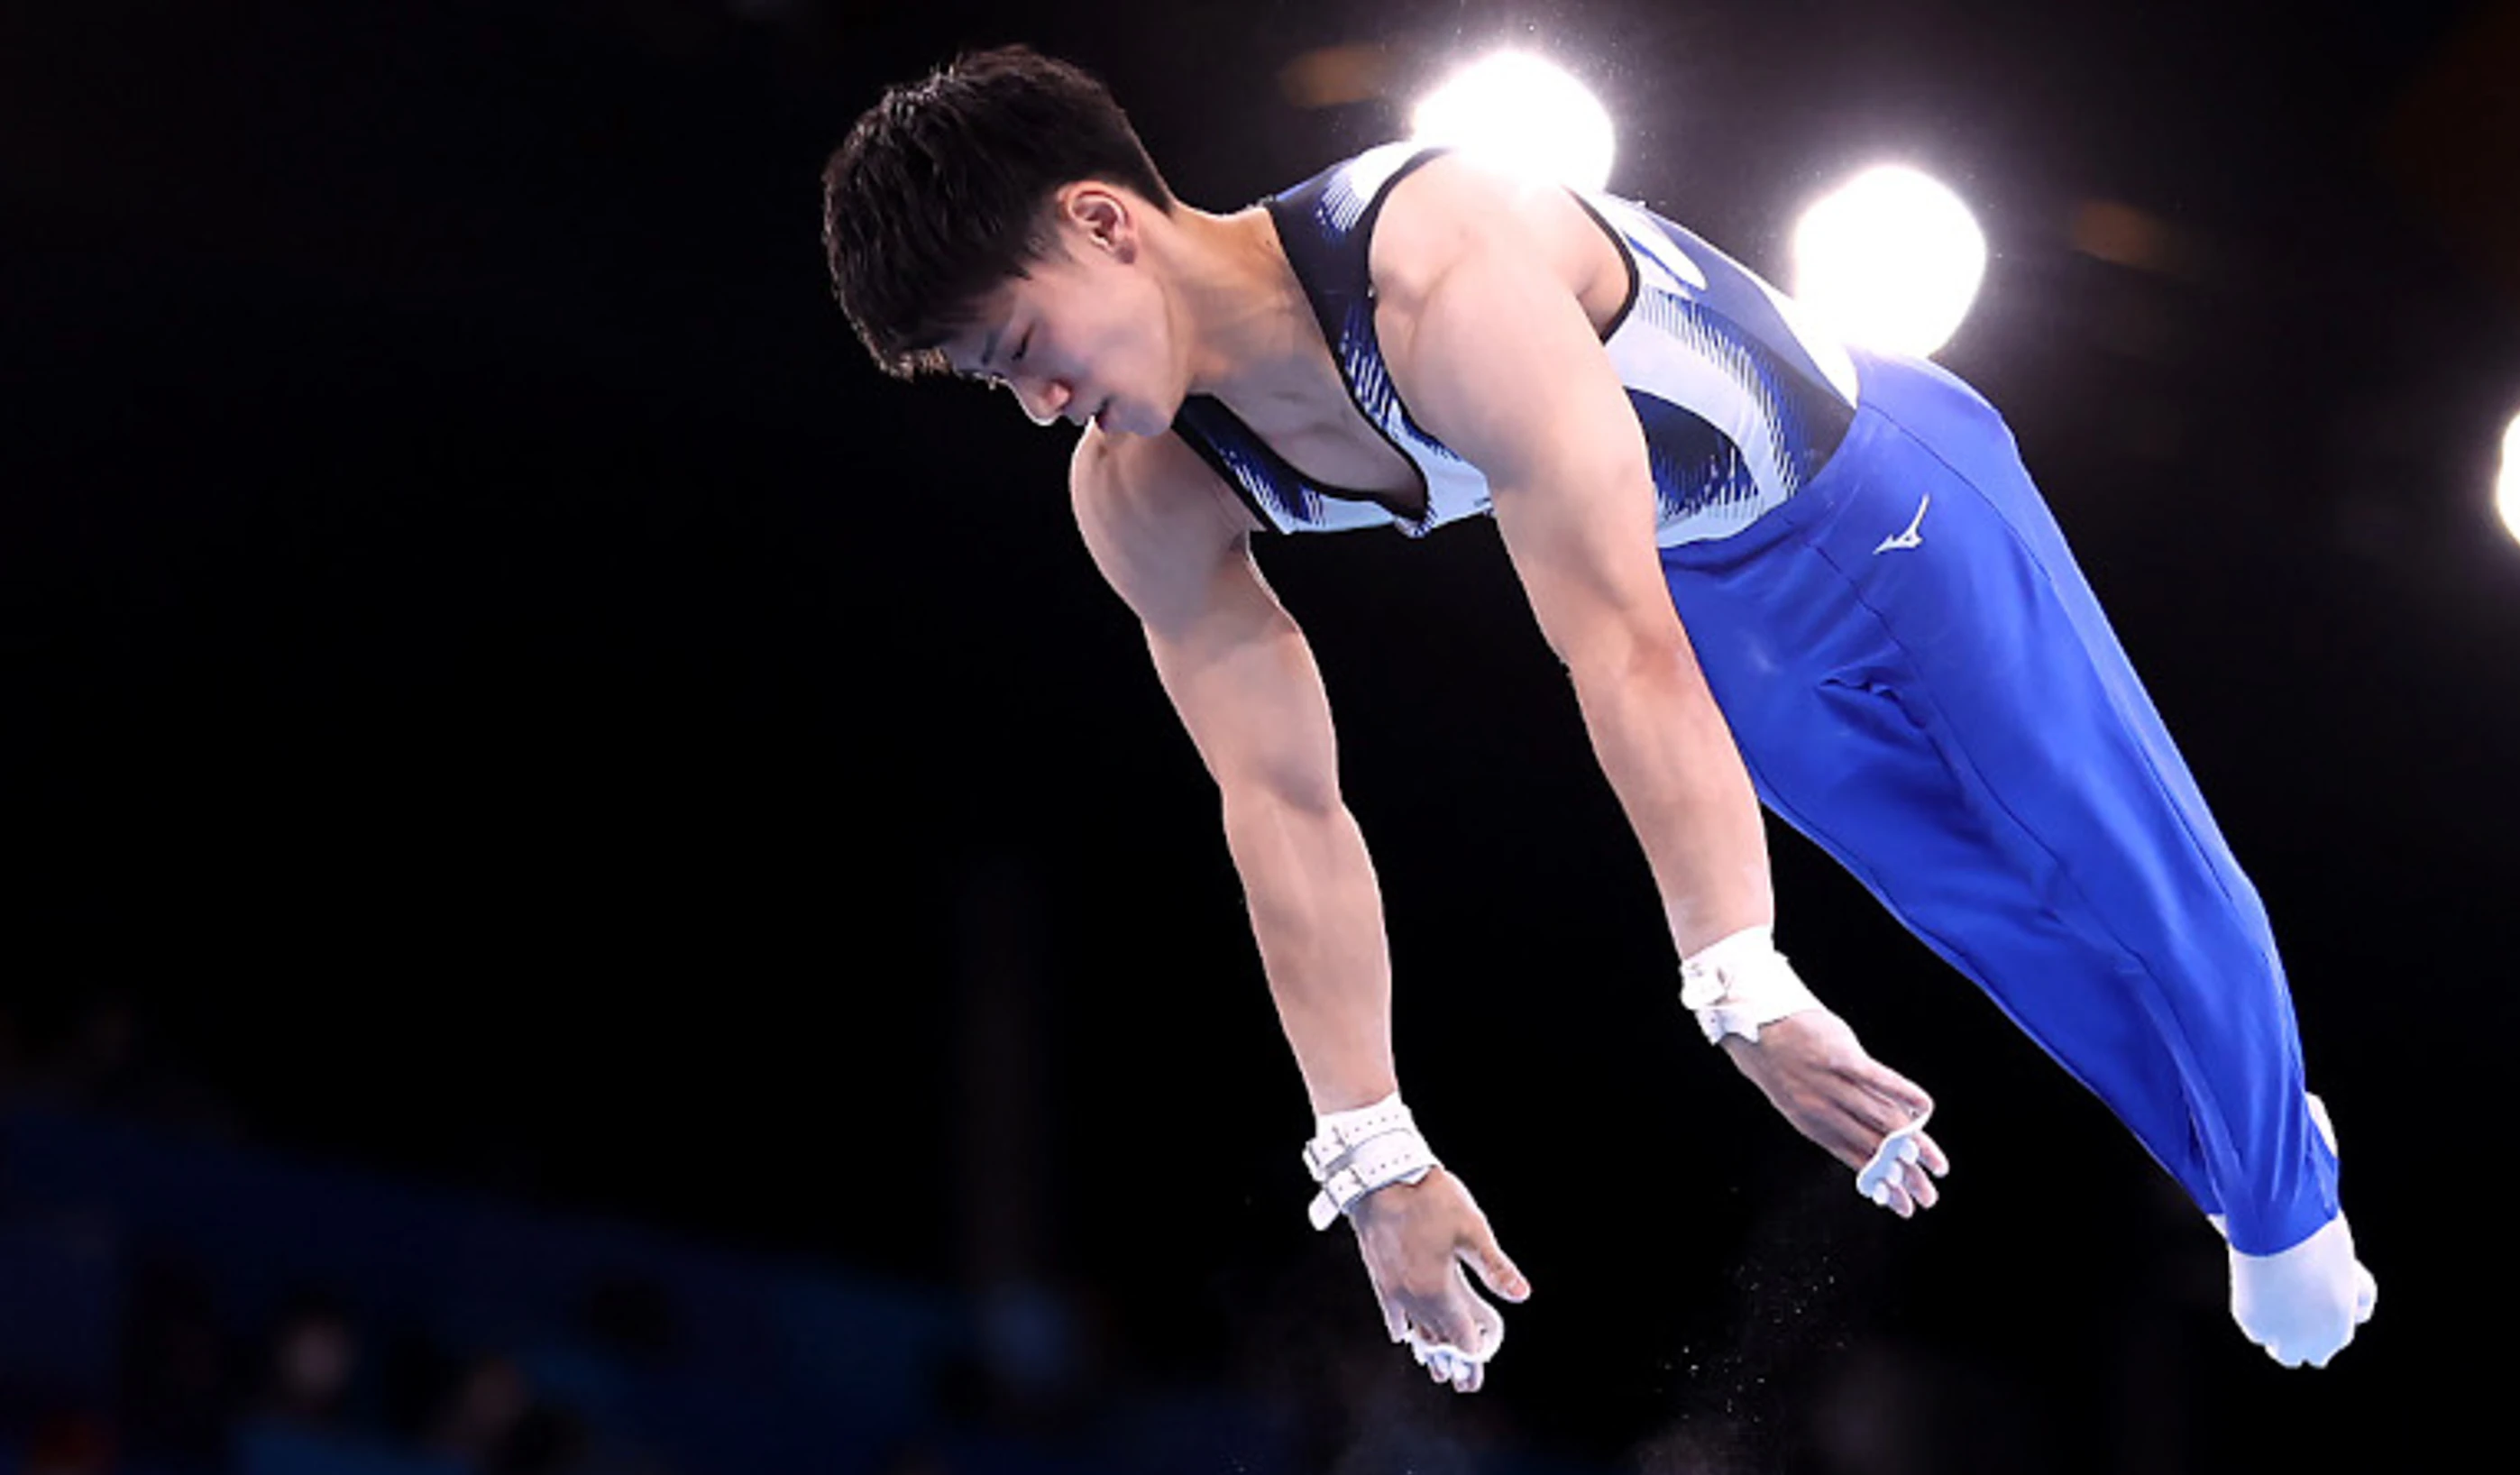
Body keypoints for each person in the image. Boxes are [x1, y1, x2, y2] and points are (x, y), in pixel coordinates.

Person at [820, 48, 2376, 1391]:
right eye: (991, 386)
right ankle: (2242, 1152)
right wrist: (1375, 1155)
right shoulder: (1142, 495)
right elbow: (1283, 809)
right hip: (1728, 621)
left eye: (1024, 350)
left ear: (1104, 223)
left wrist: (1735, 978)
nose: (1037, 407)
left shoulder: (1436, 267)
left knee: (2104, 857)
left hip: (1888, 501)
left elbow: (1613, 643)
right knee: (1991, 917)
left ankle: (2279, 1195)